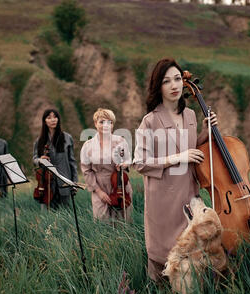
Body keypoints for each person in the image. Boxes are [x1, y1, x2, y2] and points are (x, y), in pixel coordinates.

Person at [133, 58, 218, 282]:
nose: (175, 85)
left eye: (178, 79)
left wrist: (206, 133)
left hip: (188, 196)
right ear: (158, 87)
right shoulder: (149, 121)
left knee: (191, 258)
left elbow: (190, 151)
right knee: (161, 258)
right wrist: (178, 157)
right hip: (162, 200)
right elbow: (140, 162)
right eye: (166, 81)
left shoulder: (190, 115)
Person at [80, 108, 133, 223]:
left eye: (110, 122)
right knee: (101, 221)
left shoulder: (120, 141)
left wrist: (124, 164)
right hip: (99, 185)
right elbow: (86, 171)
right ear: (95, 124)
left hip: (119, 184)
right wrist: (98, 191)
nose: (106, 125)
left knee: (123, 222)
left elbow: (128, 160)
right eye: (102, 122)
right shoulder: (87, 146)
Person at [33, 109, 78, 209]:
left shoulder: (67, 138)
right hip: (46, 183)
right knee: (47, 215)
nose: (53, 120)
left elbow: (72, 162)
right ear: (44, 121)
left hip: (64, 180)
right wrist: (40, 159)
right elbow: (34, 159)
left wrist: (74, 182)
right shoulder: (39, 141)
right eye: (49, 118)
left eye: (55, 117)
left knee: (66, 214)